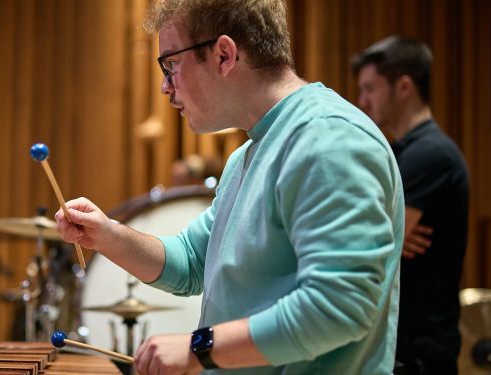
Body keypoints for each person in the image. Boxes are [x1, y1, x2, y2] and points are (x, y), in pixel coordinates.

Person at [55, 0, 405, 373]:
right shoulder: (248, 154)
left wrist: (197, 349)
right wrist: (107, 235)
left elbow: (338, 307)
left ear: (224, 55)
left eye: (171, 65)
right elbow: (191, 262)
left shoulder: (328, 139)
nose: (164, 86)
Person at [352, 36, 469, 374]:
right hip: (406, 347)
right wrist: (390, 236)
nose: (362, 101)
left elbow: (365, 241)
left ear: (404, 87)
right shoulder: (402, 152)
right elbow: (379, 234)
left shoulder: (430, 154)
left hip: (422, 353)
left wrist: (385, 236)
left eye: (370, 88)